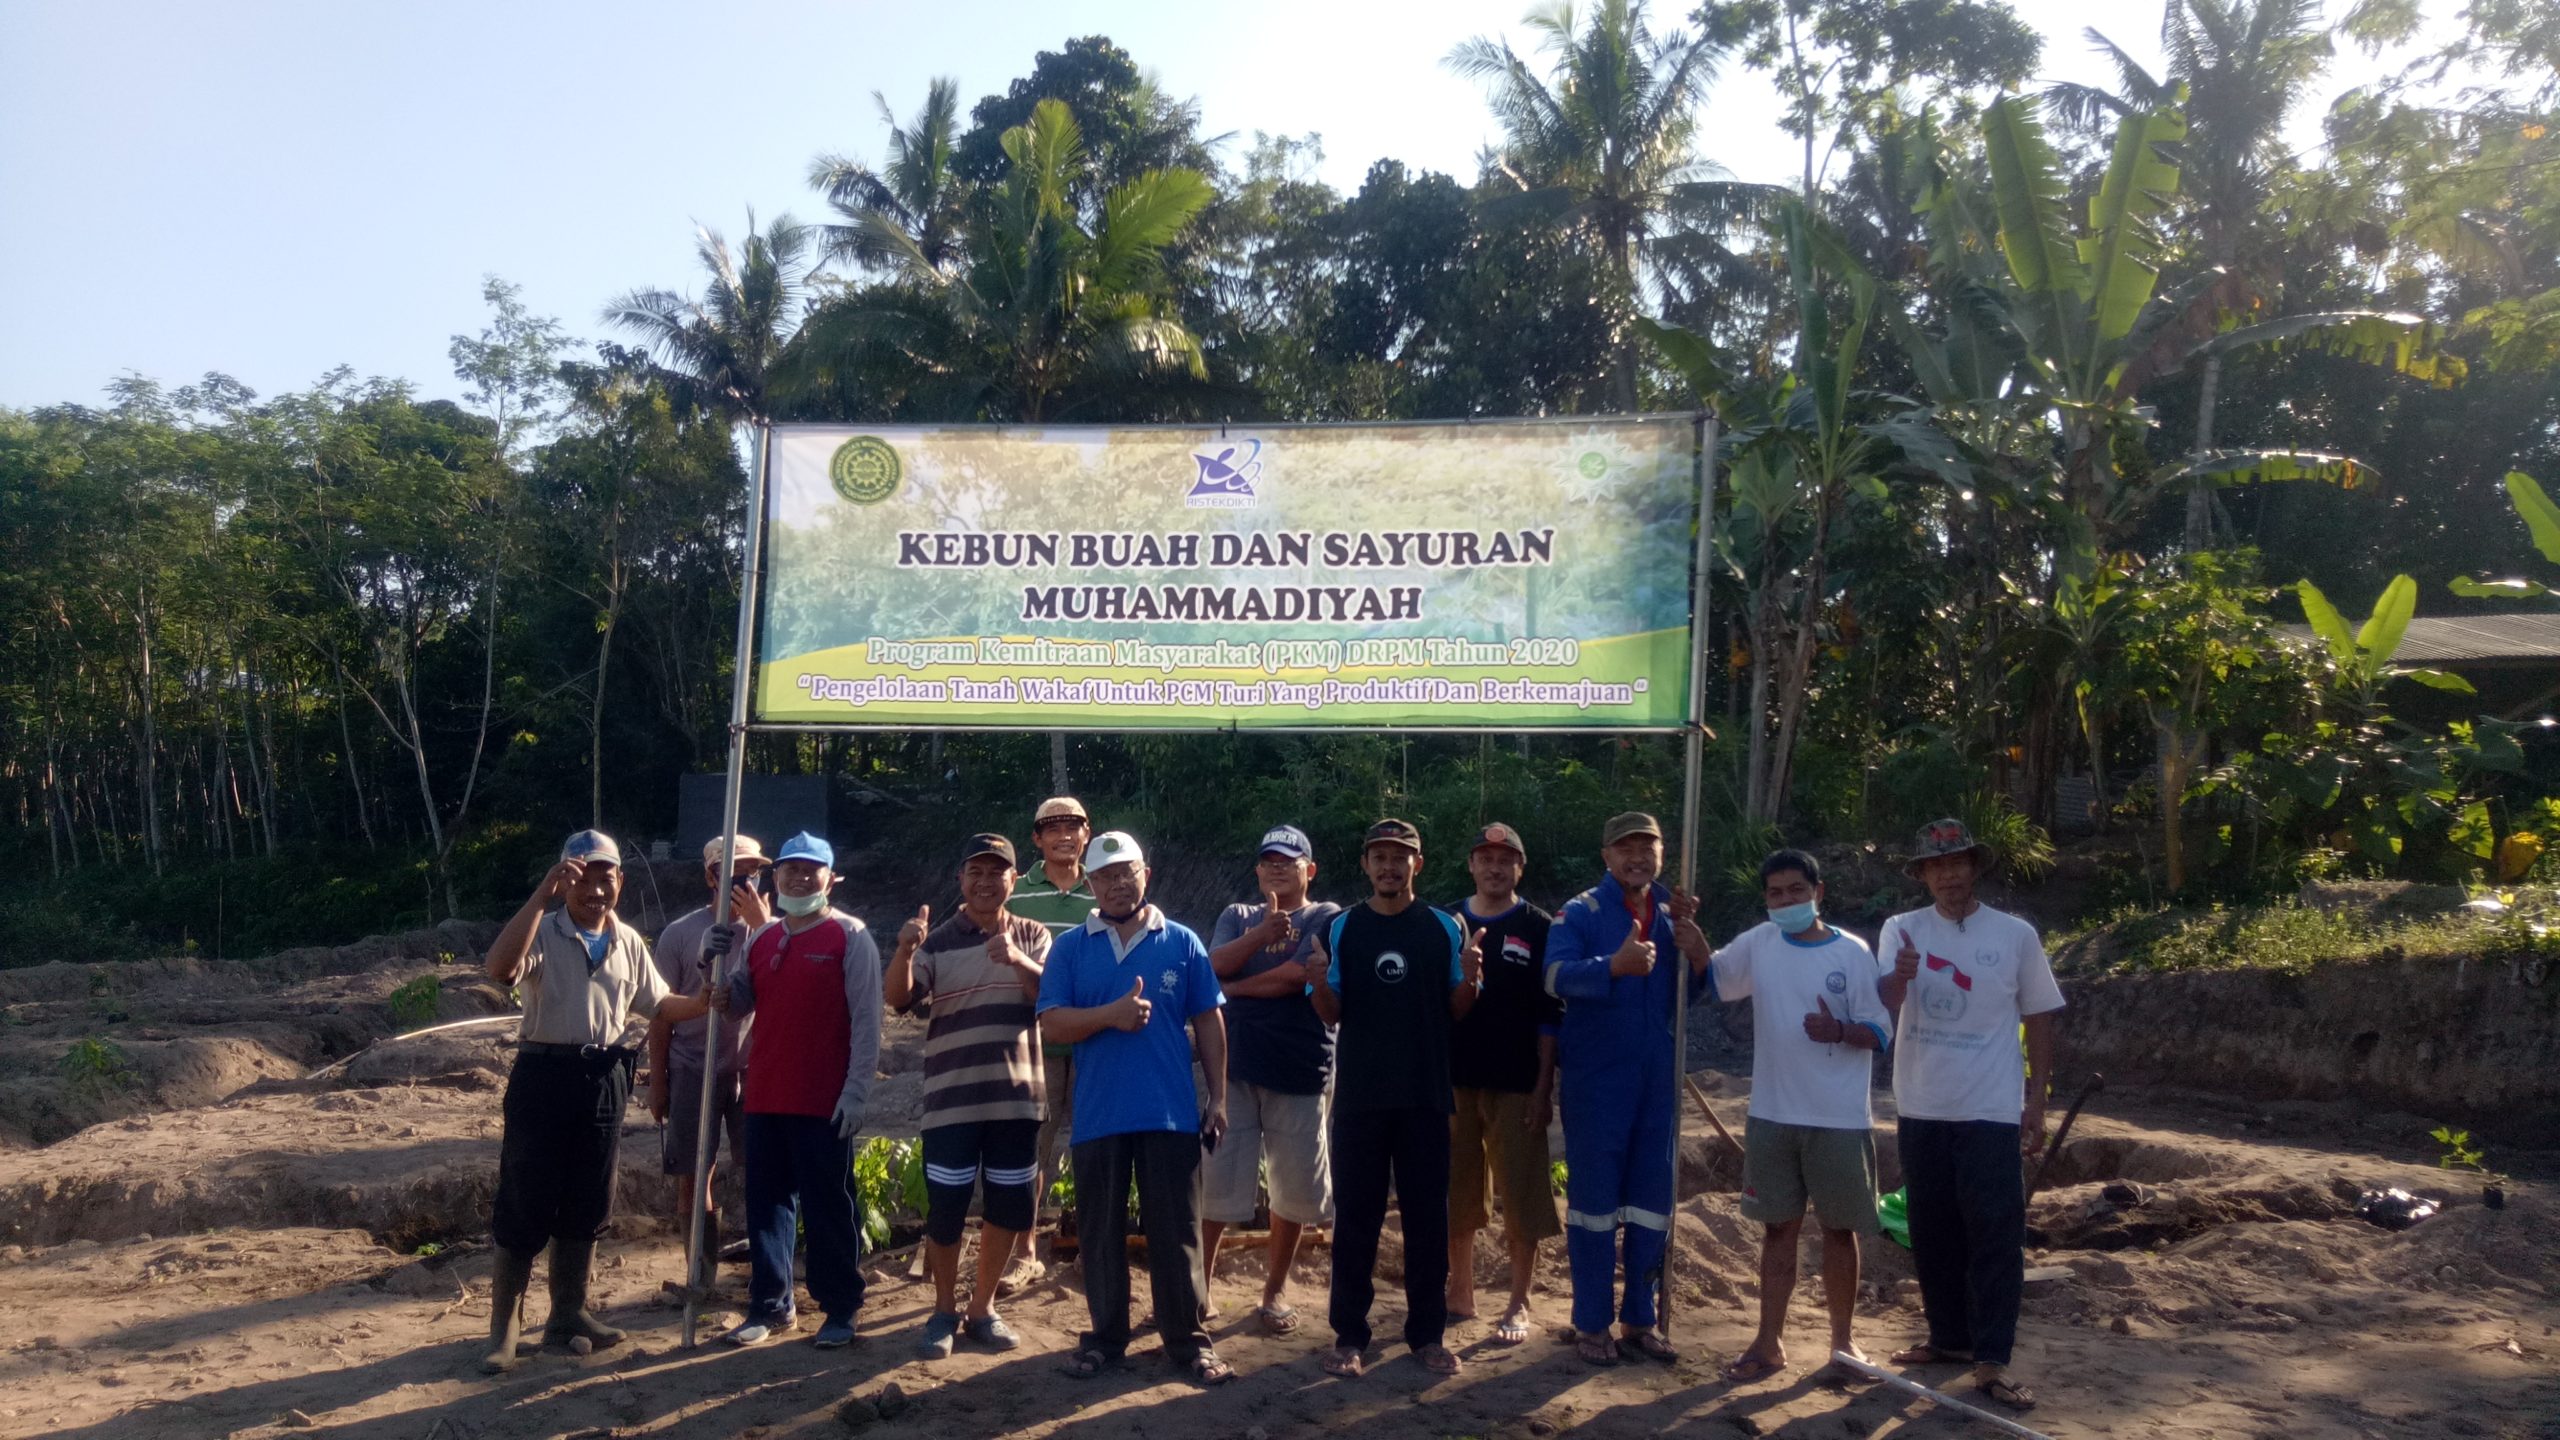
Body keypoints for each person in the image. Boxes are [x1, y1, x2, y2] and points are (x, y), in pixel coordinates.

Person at [478, 829, 712, 1374]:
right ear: (563, 880)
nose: (594, 889)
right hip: (543, 1073)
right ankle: (504, 1331)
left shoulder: (628, 941)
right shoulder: (543, 929)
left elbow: (659, 1005)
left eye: (604, 877)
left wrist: (704, 1002)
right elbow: (498, 968)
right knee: (525, 1198)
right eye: (580, 877)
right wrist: (539, 898)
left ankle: (568, 1314)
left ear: (620, 882)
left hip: (605, 1075)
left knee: (589, 1199)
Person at [1875, 818, 2064, 1413]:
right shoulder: (1901, 929)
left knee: (1995, 1232)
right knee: (1933, 1229)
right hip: (1922, 1103)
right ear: (1924, 875)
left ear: (1973, 868)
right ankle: (1950, 1340)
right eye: (1936, 866)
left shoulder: (2013, 935)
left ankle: (1993, 1357)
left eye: (1958, 863)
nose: (1949, 874)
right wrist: (1899, 979)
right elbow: (1882, 1002)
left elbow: (2039, 1014)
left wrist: (2037, 1098)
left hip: (1991, 1107)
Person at [1035, 830, 1236, 1386]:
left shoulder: (1182, 942)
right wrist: (1110, 1015)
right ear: (1090, 884)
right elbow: (1051, 1022)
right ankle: (1105, 1340)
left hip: (1170, 1114)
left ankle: (1188, 1343)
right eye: (1104, 876)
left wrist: (1217, 1096)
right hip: (1098, 1116)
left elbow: (1210, 1023)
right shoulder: (1072, 947)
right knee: (1100, 1235)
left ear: (1145, 874)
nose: (1117, 884)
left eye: (1127, 872)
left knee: (1178, 1234)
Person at [1306, 818, 1483, 1379]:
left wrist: (1472, 981)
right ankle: (1349, 1336)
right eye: (1379, 856)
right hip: (1359, 1098)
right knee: (1356, 1217)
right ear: (1365, 865)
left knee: (1427, 1218)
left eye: (1400, 856)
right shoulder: (1343, 929)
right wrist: (1319, 984)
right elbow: (1331, 1014)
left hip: (1425, 1097)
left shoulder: (1442, 927)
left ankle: (1427, 1335)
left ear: (1417, 864)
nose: (1389, 866)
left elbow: (1457, 1010)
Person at [1711, 849, 1891, 1384]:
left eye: (1795, 890)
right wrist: (1687, 928)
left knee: (1839, 1231)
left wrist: (1839, 1031)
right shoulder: (1759, 943)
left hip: (1837, 1117)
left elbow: (1880, 1031)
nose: (1785, 901)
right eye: (1775, 893)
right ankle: (1768, 1341)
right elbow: (1712, 975)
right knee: (1777, 1231)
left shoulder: (1853, 953)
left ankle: (1843, 1341)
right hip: (1772, 1112)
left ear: (1818, 892)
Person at [1542, 811, 1714, 1367]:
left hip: (1656, 1081)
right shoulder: (1582, 911)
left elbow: (1690, 996)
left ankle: (1642, 1318)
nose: (1637, 857)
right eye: (1625, 848)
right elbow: (1551, 977)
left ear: (1662, 853)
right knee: (1593, 1206)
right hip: (1597, 1082)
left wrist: (1697, 951)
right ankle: (1591, 1323)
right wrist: (1611, 966)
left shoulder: (1674, 913)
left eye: (1648, 847)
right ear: (1607, 855)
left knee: (1651, 1202)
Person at [705, 832, 882, 1351]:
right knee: (767, 1206)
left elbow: (869, 1023)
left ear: (831, 878)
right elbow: (737, 1001)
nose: (800, 878)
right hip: (765, 1094)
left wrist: (857, 1092)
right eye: (790, 870)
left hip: (822, 1101)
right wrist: (711, 967)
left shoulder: (850, 937)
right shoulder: (762, 938)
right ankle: (770, 1304)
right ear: (775, 877)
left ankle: (840, 1307)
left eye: (812, 870)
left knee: (828, 1205)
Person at [882, 833, 1051, 1359]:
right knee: (947, 1208)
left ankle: (982, 1309)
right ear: (961, 880)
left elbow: (1052, 995)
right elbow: (898, 998)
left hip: (1015, 1101)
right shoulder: (938, 941)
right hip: (951, 1100)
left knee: (1008, 1208)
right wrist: (906, 948)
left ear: (1013, 881)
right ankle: (942, 1311)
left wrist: (1018, 961)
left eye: (995, 872)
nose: (984, 881)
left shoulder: (1034, 934)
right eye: (974, 871)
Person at [1201, 823, 1342, 1334]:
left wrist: (1230, 990)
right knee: (1216, 1185)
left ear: (1310, 869)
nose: (1278, 867)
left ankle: (1274, 1290)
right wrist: (1260, 935)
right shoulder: (1237, 916)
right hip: (1234, 1071)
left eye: (1289, 860)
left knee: (1294, 1191)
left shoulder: (1326, 917)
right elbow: (1211, 967)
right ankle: (1201, 1289)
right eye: (1269, 861)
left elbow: (1297, 977)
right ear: (1258, 870)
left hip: (1300, 1070)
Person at [1442, 821, 1562, 1347]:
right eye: (1485, 858)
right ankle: (1460, 1290)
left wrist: (1543, 1088)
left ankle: (1518, 1300)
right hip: (1454, 1081)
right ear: (1471, 865)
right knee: (1457, 1191)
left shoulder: (1538, 926)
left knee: (1523, 1195)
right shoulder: (1447, 922)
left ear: (1520, 867)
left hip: (1515, 1083)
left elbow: (1549, 1015)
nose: (1494, 867)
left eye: (1505, 859)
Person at [646, 833, 769, 1294]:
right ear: (710, 876)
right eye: (734, 873)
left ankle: (768, 1270)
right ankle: (701, 1276)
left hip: (751, 1069)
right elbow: (660, 1014)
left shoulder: (770, 931)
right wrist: (658, 1083)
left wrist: (763, 926)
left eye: (752, 873)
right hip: (692, 1066)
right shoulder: (680, 935)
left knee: (761, 1169)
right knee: (696, 1176)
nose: (745, 882)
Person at [1009, 795, 1096, 1288]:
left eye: (1074, 825)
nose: (1064, 834)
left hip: (1093, 1041)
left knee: (1094, 1146)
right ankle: (1024, 1250)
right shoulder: (1015, 894)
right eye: (1052, 826)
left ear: (1087, 833)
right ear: (1036, 838)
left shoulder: (1106, 887)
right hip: (1033, 1043)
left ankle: (1091, 1246)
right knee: (1031, 1150)